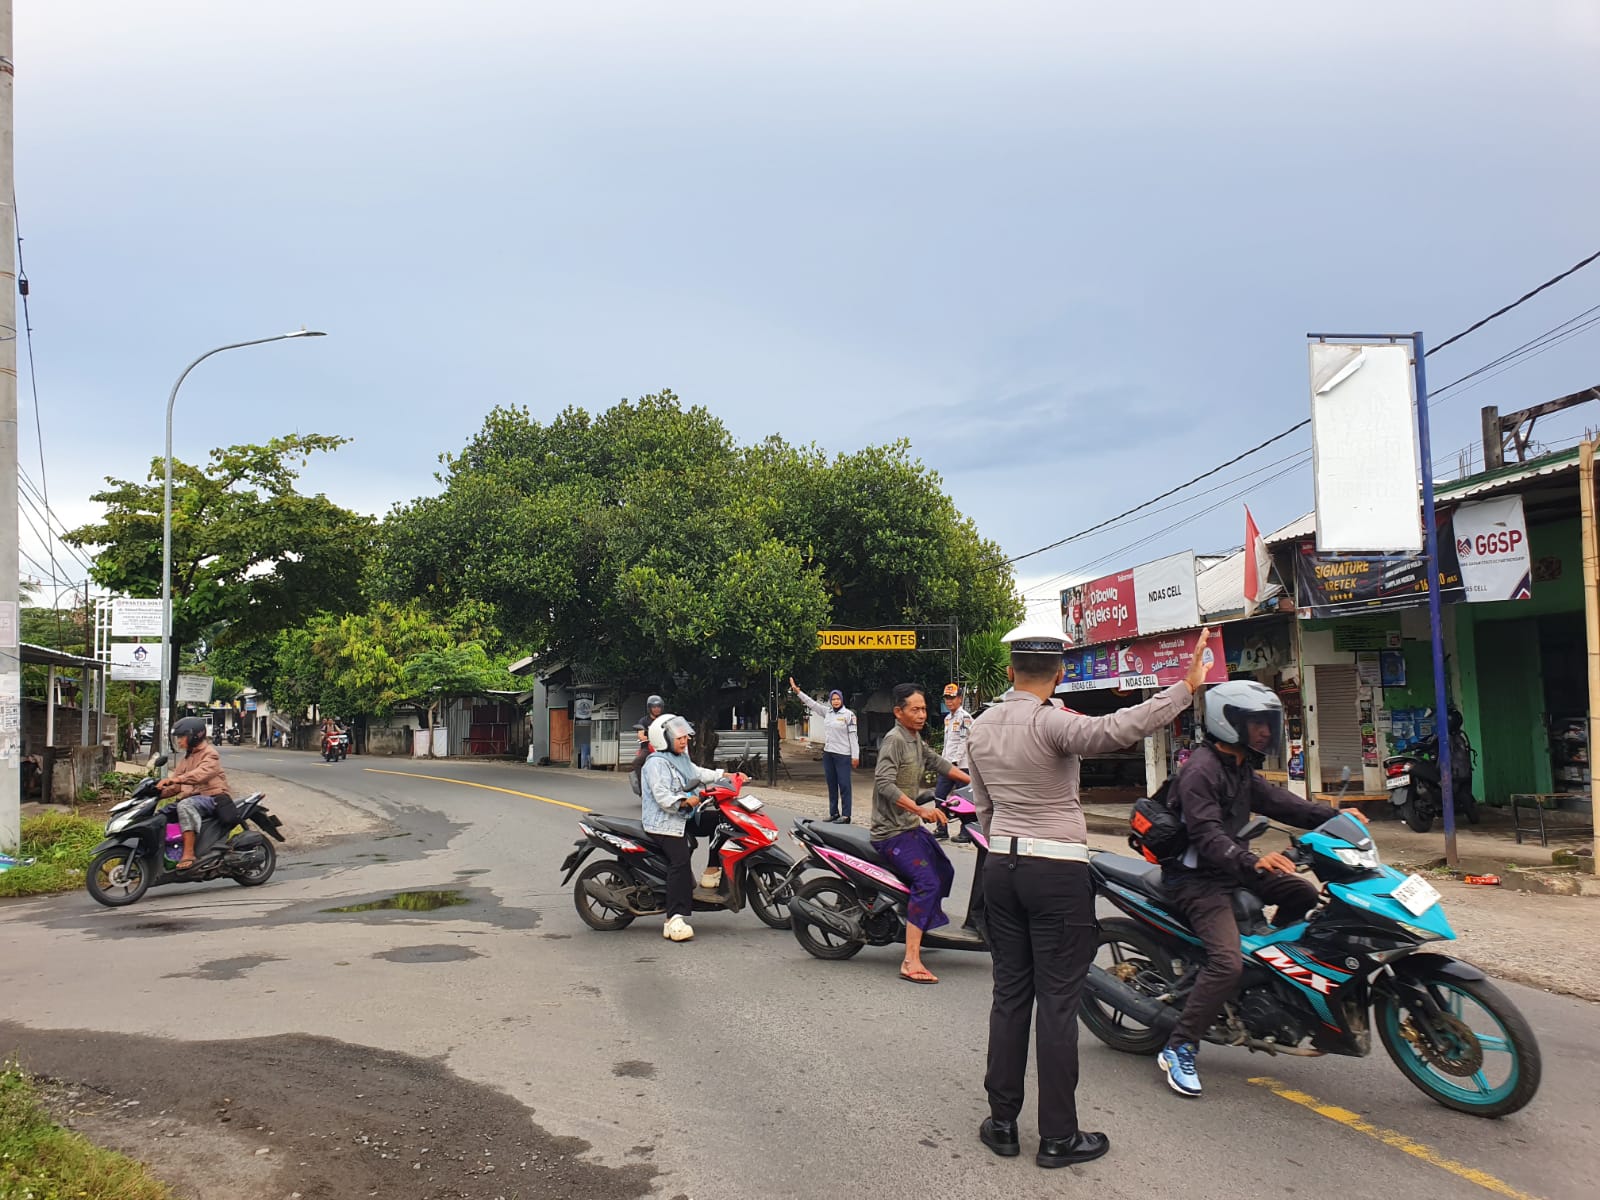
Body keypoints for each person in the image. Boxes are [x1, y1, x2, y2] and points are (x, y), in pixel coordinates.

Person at [967, 619, 1213, 1170]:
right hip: (1055, 872)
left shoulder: (979, 728)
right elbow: (1118, 729)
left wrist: (1006, 845)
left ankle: (1001, 1124)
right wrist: (1185, 687)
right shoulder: (1053, 722)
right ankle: (1058, 1137)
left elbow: (983, 806)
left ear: (1010, 671)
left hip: (1001, 866)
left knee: (1010, 996)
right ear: (1058, 674)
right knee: (1057, 1002)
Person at [1156, 680, 1342, 1099]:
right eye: (1256, 723)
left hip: (1233, 867)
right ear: (1228, 722)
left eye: (1267, 723)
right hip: (1197, 880)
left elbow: (1280, 802)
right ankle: (1179, 1046)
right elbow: (1206, 836)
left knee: (1303, 894)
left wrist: (1334, 817)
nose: (1264, 731)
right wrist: (1252, 860)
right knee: (1227, 964)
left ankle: (1268, 967)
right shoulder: (1201, 771)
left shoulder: (1238, 766)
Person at [871, 683, 971, 984]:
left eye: (924, 709)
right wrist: (920, 810)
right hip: (890, 832)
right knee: (927, 882)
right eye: (915, 709)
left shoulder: (914, 738)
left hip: (908, 827)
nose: (922, 714)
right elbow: (883, 783)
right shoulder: (894, 740)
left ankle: (920, 920)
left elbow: (938, 763)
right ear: (898, 712)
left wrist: (977, 783)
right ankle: (910, 959)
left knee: (944, 870)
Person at [639, 712, 729, 943]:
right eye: (678, 737)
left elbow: (697, 773)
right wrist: (683, 801)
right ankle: (673, 919)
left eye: (684, 736)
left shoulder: (680, 758)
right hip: (664, 823)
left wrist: (725, 776)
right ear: (663, 739)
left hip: (684, 817)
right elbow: (662, 796)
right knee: (679, 862)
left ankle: (711, 872)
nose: (684, 740)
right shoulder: (656, 763)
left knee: (720, 821)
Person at [157, 716, 236, 871]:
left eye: (182, 737)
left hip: (212, 797)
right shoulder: (186, 757)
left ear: (194, 736)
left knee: (185, 805)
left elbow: (201, 774)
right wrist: (155, 793)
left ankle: (189, 853)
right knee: (161, 815)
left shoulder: (210, 754)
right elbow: (176, 786)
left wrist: (176, 779)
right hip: (195, 799)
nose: (179, 741)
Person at [789, 678, 859, 823]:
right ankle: (834, 813)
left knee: (844, 785)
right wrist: (798, 692)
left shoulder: (849, 715)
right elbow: (812, 704)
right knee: (831, 784)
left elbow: (853, 736)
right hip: (829, 754)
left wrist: (855, 756)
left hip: (843, 755)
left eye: (838, 699)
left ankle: (846, 815)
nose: (835, 701)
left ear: (842, 700)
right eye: (833, 699)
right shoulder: (827, 712)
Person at [933, 683, 975, 842]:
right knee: (939, 796)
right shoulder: (947, 719)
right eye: (946, 698)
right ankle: (941, 828)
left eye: (952, 698)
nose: (949, 701)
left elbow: (965, 741)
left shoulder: (965, 717)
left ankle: (967, 832)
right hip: (947, 765)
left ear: (959, 699)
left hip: (961, 766)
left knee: (964, 800)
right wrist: (943, 761)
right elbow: (947, 743)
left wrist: (956, 760)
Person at [628, 694, 666, 794]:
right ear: (649, 708)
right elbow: (640, 734)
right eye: (654, 707)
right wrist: (645, 737)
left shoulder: (665, 720)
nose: (656, 709)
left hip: (665, 747)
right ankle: (643, 789)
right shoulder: (644, 721)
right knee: (637, 762)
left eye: (658, 706)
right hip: (648, 748)